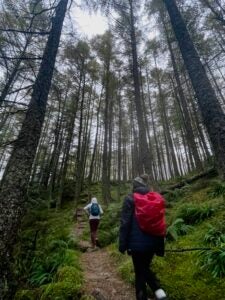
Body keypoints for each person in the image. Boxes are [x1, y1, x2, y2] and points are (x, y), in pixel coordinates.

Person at [119, 175, 167, 300]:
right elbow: (161, 222)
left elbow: (125, 223)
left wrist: (122, 245)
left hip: (136, 245)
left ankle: (156, 290)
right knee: (143, 268)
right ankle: (159, 292)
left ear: (134, 186)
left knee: (140, 270)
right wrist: (160, 245)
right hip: (154, 242)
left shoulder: (130, 198)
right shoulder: (155, 198)